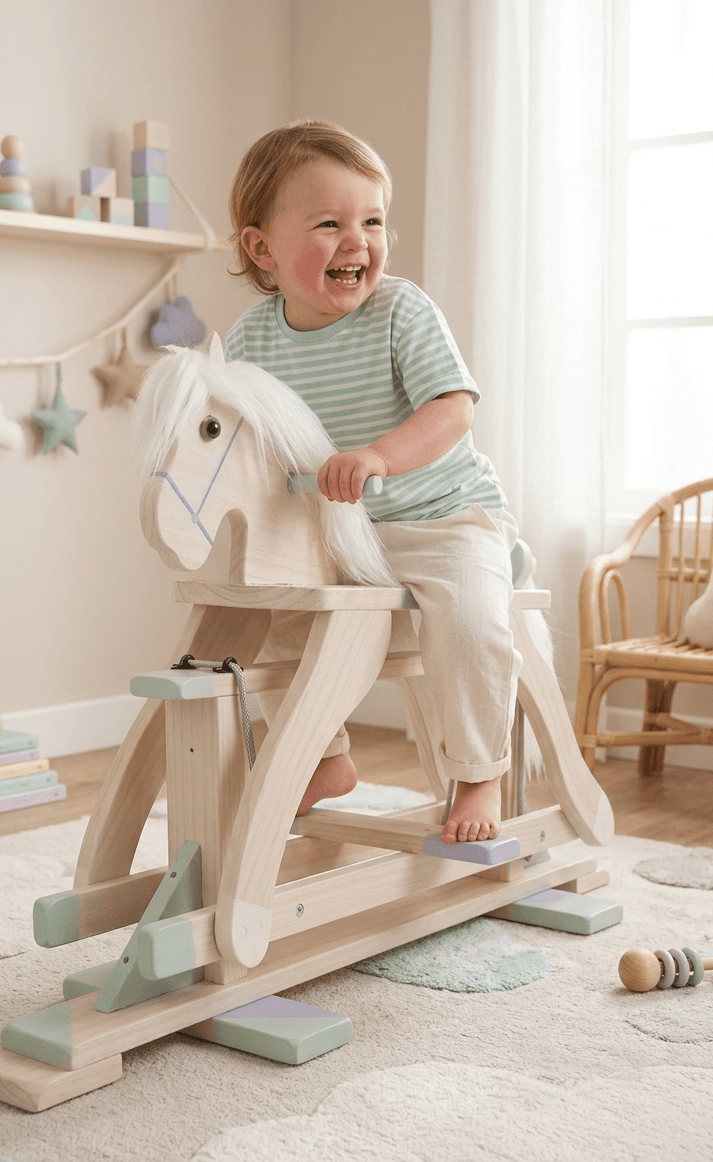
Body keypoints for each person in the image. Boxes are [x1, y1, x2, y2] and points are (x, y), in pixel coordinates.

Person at [224, 120, 517, 845]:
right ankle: (325, 759)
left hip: (444, 516)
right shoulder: (251, 341)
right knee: (275, 622)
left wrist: (381, 455)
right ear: (261, 247)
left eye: (373, 221)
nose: (358, 240)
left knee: (471, 619)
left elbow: (453, 410)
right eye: (329, 223)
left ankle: (480, 770)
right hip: (338, 533)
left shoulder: (401, 311)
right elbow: (240, 441)